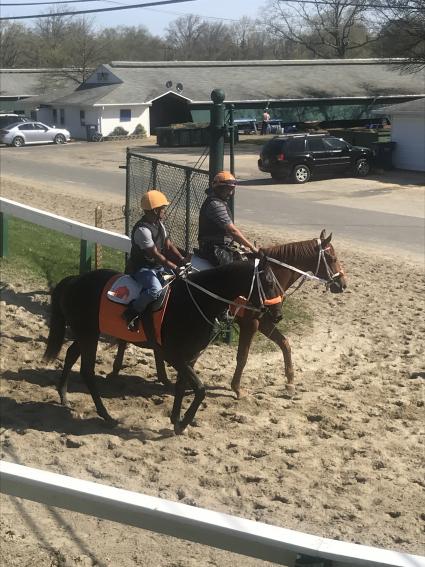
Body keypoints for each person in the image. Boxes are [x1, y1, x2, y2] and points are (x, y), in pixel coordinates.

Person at [123, 189, 185, 330]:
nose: (165, 211)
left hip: (158, 268)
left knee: (175, 280)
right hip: (142, 270)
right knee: (155, 290)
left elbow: (168, 244)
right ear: (155, 210)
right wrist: (174, 266)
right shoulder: (142, 231)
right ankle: (132, 312)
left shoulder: (159, 224)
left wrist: (182, 259)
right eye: (163, 209)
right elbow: (156, 254)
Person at [197, 171, 258, 266]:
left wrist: (242, 246)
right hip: (214, 249)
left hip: (222, 247)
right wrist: (253, 248)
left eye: (232, 189)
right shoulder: (215, 204)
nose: (230, 193)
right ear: (218, 188)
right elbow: (232, 231)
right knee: (236, 271)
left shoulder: (220, 202)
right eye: (227, 189)